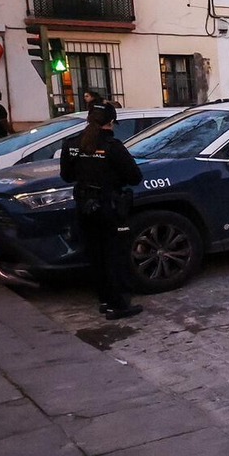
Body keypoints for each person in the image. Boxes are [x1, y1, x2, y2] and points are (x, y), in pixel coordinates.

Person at [59, 103, 143, 320]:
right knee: (114, 254)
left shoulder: (72, 144)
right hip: (108, 205)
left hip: (84, 205)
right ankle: (119, 305)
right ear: (111, 122)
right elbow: (134, 176)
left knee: (95, 254)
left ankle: (105, 300)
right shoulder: (113, 146)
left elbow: (67, 176)